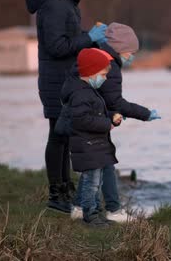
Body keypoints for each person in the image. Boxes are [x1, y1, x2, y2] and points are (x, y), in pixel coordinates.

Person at [26, 0, 108, 213]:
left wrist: (93, 38)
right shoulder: (55, 5)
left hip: (65, 78)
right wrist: (88, 38)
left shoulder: (64, 2)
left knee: (65, 136)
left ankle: (66, 189)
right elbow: (57, 46)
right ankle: (57, 195)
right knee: (57, 136)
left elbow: (70, 38)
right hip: (56, 80)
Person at [71, 23, 160, 222]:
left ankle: (79, 207)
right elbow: (114, 101)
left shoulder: (97, 56)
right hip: (94, 122)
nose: (133, 56)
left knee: (94, 165)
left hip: (93, 119)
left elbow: (103, 98)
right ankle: (113, 210)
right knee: (105, 162)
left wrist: (112, 113)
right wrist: (145, 114)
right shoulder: (109, 66)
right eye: (131, 52)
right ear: (120, 49)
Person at [61, 48, 122, 227]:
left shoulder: (89, 91)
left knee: (97, 181)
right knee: (91, 183)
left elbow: (95, 113)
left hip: (95, 145)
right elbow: (82, 120)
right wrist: (106, 124)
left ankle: (95, 212)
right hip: (87, 146)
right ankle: (90, 215)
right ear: (90, 72)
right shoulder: (80, 94)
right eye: (103, 74)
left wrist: (112, 117)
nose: (104, 78)